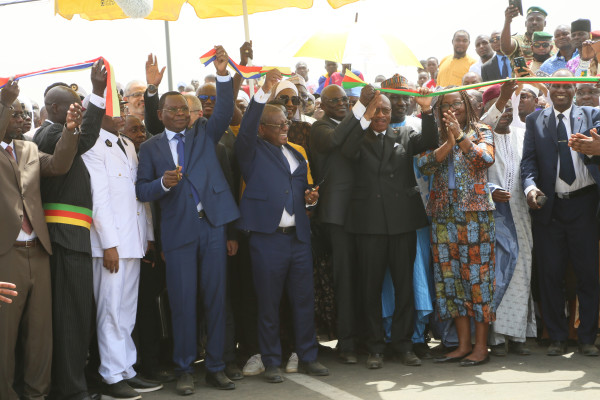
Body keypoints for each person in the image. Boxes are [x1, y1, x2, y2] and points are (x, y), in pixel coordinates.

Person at [136, 46, 239, 395]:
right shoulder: (150, 148)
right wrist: (162, 183)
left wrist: (222, 73)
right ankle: (184, 369)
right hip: (178, 235)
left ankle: (216, 368)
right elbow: (141, 190)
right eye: (173, 109)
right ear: (161, 115)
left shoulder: (204, 133)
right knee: (182, 304)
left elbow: (223, 109)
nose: (181, 113)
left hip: (212, 228)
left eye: (184, 109)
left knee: (216, 300)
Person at [234, 69, 328, 383]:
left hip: (298, 238)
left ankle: (308, 356)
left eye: (287, 123)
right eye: (279, 124)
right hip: (267, 239)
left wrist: (310, 200)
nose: (286, 127)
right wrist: (263, 90)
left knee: (303, 301)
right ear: (262, 129)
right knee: (268, 303)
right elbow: (247, 124)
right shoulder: (250, 150)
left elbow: (302, 194)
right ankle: (271, 360)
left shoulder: (295, 154)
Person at [342, 84, 437, 369]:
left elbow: (430, 141)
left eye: (385, 110)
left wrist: (427, 110)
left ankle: (404, 345)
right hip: (369, 225)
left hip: (402, 223)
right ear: (367, 113)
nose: (381, 115)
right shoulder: (358, 137)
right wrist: (362, 115)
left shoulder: (404, 134)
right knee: (370, 289)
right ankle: (375, 347)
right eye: (375, 110)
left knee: (404, 288)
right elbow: (347, 151)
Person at [0, 79, 82, 400]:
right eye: (14, 113)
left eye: (24, 113)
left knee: (40, 335)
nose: (22, 118)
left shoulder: (29, 149)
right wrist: (4, 101)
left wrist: (71, 130)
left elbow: (59, 164)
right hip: (6, 255)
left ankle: (37, 394)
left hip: (38, 250)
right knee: (5, 335)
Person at [33, 60, 107, 400]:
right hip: (64, 238)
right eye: (72, 106)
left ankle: (72, 386)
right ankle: (71, 390)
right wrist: (98, 92)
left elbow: (83, 138)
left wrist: (95, 96)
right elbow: (85, 137)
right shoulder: (49, 134)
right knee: (69, 318)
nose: (77, 111)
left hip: (71, 238)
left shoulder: (60, 133)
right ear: (53, 109)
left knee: (76, 317)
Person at [82, 96, 160, 400]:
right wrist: (109, 245)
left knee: (127, 311)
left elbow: (138, 196)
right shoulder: (93, 144)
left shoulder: (126, 144)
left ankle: (126, 369)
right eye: (112, 108)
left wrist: (148, 234)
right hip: (110, 245)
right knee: (110, 311)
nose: (120, 113)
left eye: (121, 107)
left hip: (133, 241)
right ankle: (111, 375)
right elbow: (98, 199)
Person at [521, 69, 600, 357]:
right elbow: (528, 162)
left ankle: (587, 338)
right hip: (550, 209)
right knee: (550, 275)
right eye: (556, 86)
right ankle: (556, 336)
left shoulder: (592, 115)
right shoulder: (535, 120)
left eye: (567, 86)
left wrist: (594, 148)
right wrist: (530, 187)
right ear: (549, 89)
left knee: (587, 276)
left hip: (585, 206)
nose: (561, 91)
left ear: (575, 89)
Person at [418, 90, 496, 367]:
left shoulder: (482, 130)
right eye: (445, 105)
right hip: (443, 215)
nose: (451, 108)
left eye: (457, 103)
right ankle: (462, 345)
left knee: (477, 280)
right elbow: (424, 165)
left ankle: (481, 347)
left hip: (475, 216)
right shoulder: (435, 135)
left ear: (467, 105)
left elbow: (484, 160)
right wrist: (448, 142)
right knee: (451, 279)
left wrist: (460, 137)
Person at [309, 83, 376, 364]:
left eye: (344, 100)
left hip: (363, 211)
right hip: (336, 216)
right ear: (322, 105)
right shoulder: (319, 128)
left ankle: (367, 339)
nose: (341, 104)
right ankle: (346, 343)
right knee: (345, 280)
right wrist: (360, 106)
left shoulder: (358, 123)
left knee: (365, 277)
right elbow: (336, 140)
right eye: (334, 101)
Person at [484, 93, 536, 357]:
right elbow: (470, 175)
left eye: (508, 108)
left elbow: (530, 170)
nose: (505, 113)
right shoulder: (480, 138)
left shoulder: (522, 135)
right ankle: (494, 338)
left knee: (521, 269)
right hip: (492, 214)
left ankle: (517, 336)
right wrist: (490, 190)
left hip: (521, 212)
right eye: (499, 108)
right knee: (496, 272)